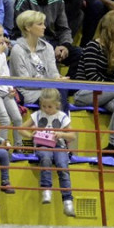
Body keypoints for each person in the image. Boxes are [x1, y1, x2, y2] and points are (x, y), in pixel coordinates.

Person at [75, 10, 114, 151]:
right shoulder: (93, 46)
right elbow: (92, 77)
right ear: (112, 27)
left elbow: (112, 77)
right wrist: (113, 86)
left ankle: (113, 145)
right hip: (85, 93)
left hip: (104, 94)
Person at [14, 0, 80, 75]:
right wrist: (49, 48)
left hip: (53, 43)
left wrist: (65, 45)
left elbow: (64, 28)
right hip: (31, 44)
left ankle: (67, 85)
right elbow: (23, 31)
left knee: (80, 54)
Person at [24, 88, 77, 217]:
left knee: (62, 165)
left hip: (59, 146)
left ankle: (68, 200)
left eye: (50, 107)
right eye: (44, 106)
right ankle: (46, 189)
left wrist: (61, 134)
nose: (46, 109)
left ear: (57, 105)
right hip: (42, 145)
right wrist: (31, 135)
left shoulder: (62, 116)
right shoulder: (37, 114)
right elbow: (21, 128)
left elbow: (72, 136)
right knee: (46, 157)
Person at [8, 10, 62, 105]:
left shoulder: (48, 47)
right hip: (28, 93)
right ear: (28, 27)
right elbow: (26, 82)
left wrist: (58, 79)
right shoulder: (17, 50)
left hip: (48, 90)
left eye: (43, 24)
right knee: (55, 95)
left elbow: (53, 72)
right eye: (40, 24)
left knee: (61, 90)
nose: (44, 27)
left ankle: (60, 115)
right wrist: (50, 83)